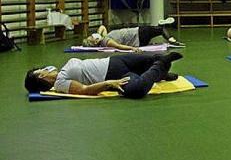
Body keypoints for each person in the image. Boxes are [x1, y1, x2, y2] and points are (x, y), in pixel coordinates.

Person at [24, 52, 183, 99]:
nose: (45, 68)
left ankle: (159, 73)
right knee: (137, 90)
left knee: (151, 57)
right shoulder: (59, 84)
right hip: (115, 73)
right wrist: (109, 83)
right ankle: (161, 68)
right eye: (41, 70)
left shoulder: (62, 70)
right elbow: (85, 90)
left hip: (114, 60)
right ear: (41, 77)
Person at [82, 18, 184, 51]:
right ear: (95, 42)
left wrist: (99, 34)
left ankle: (160, 26)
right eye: (91, 37)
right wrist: (132, 49)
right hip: (138, 34)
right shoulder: (106, 41)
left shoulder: (104, 37)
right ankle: (171, 40)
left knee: (157, 30)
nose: (92, 35)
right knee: (160, 30)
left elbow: (102, 27)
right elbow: (118, 46)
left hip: (138, 34)